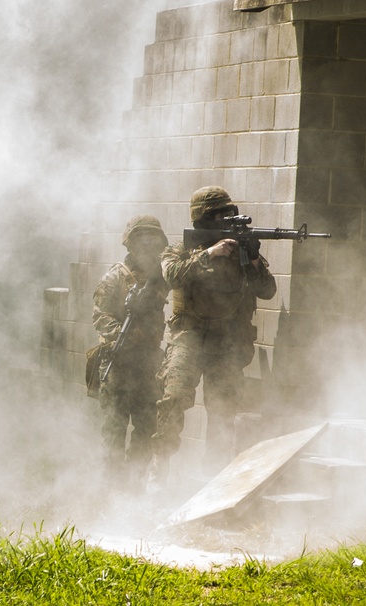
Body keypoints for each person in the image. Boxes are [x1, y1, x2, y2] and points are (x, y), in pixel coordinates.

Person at [148, 186, 276, 494]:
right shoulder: (180, 250)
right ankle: (159, 471)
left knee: (223, 409)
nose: (229, 219)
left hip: (227, 341)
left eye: (230, 213)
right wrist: (210, 253)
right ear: (203, 220)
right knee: (173, 400)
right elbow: (173, 275)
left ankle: (215, 477)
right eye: (221, 214)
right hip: (188, 337)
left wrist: (254, 259)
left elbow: (268, 290)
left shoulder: (241, 253)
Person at [92, 214, 170, 489]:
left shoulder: (161, 276)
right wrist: (124, 336)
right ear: (131, 244)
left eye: (154, 241)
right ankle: (111, 490)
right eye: (143, 241)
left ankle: (133, 487)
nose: (149, 247)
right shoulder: (114, 279)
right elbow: (101, 317)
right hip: (119, 365)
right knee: (114, 431)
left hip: (148, 365)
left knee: (147, 428)